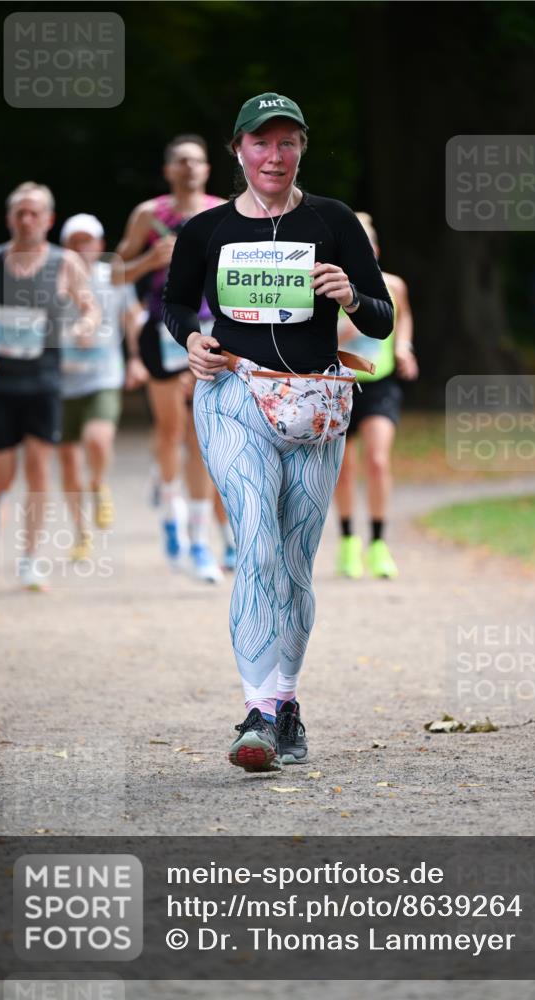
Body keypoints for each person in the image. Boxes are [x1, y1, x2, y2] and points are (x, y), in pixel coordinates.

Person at [162, 92, 394, 772]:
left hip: (314, 403)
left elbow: (379, 319)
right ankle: (256, 714)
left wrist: (350, 295)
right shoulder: (205, 230)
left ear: (301, 149)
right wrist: (192, 340)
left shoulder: (331, 220)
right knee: (257, 540)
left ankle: (285, 702)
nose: (274, 154)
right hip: (232, 394)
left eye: (287, 141)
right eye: (261, 142)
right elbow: (177, 304)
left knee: (293, 560)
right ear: (237, 149)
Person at [114, 134, 234, 581]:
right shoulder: (150, 214)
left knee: (202, 436)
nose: (190, 168)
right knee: (170, 429)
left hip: (211, 330)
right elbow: (112, 271)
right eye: (181, 161)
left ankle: (200, 542)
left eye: (197, 161)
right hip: (161, 328)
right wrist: (148, 260)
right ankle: (170, 511)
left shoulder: (224, 211)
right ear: (168, 170)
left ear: (207, 169)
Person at [0, 182, 100, 590]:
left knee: (38, 470)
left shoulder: (64, 263)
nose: (27, 220)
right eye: (20, 213)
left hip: (45, 380)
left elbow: (90, 307)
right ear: (10, 218)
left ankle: (30, 558)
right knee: (2, 473)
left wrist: (84, 326)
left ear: (48, 220)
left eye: (35, 213)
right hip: (0, 381)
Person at [334, 212, 418, 579]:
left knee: (379, 461)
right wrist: (349, 328)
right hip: (338, 384)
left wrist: (404, 347)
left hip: (380, 382)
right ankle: (349, 540)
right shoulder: (329, 286)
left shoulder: (393, 285)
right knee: (344, 468)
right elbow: (314, 341)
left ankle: (380, 544)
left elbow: (404, 318)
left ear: (376, 249)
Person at [58, 213, 147, 560]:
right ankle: (81, 534)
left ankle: (98, 482)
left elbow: (132, 318)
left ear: (100, 245)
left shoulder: (114, 279)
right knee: (67, 462)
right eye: (75, 242)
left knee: (97, 440)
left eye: (88, 241)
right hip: (60, 380)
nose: (82, 248)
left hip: (103, 375)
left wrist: (137, 358)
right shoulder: (53, 277)